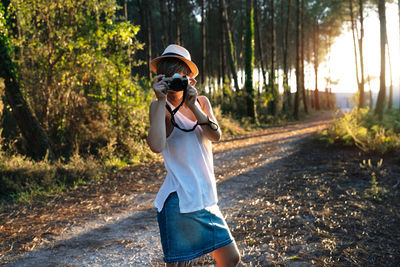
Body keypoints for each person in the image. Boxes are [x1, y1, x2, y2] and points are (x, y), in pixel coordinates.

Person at [147, 44, 240, 266]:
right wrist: (161, 102)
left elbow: (215, 135)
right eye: (168, 76)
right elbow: (157, 146)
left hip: (204, 196)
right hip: (178, 197)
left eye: (178, 76)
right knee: (179, 265)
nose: (173, 82)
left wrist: (194, 106)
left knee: (230, 258)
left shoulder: (203, 102)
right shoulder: (159, 106)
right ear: (161, 78)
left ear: (190, 79)